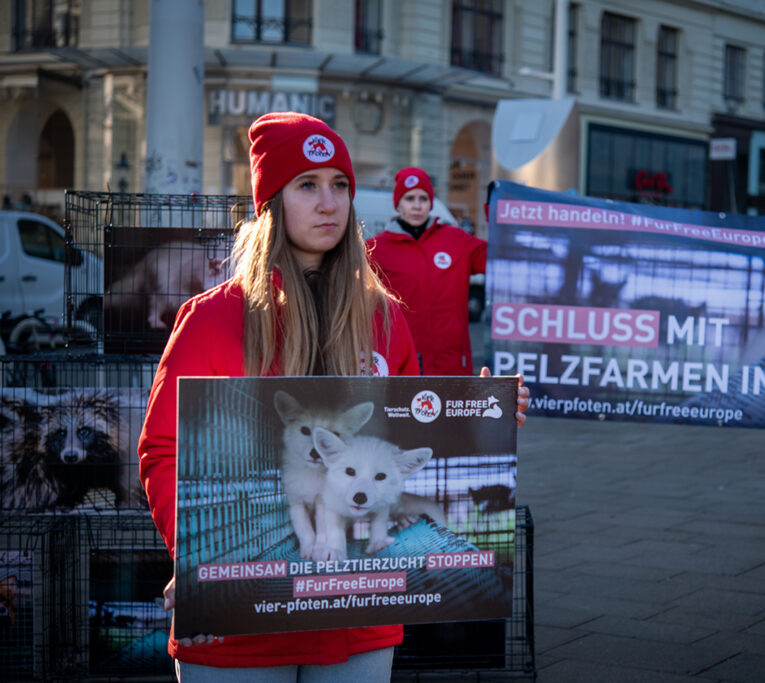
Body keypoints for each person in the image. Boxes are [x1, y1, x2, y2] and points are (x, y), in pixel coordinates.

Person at [138, 112, 529, 681]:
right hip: (243, 614)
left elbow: (411, 441)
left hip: (357, 614)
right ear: (271, 203)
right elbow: (164, 450)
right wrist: (201, 554)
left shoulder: (384, 318)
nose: (330, 203)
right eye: (307, 185)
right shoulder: (213, 318)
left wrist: (486, 413)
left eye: (339, 185)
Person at [367, 167, 487, 376]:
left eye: (423, 199)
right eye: (409, 198)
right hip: (404, 362)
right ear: (398, 203)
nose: (416, 205)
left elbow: (497, 258)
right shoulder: (376, 249)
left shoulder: (456, 239)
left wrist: (496, 218)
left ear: (431, 203)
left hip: (452, 363)